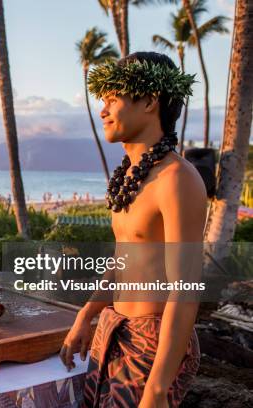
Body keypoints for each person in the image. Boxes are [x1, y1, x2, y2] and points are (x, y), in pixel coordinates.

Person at [59, 52, 204, 407]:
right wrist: (87, 315)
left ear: (150, 102)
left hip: (152, 344)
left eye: (112, 99)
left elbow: (186, 290)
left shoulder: (176, 179)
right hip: (113, 329)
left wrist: (156, 388)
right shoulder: (129, 178)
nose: (103, 110)